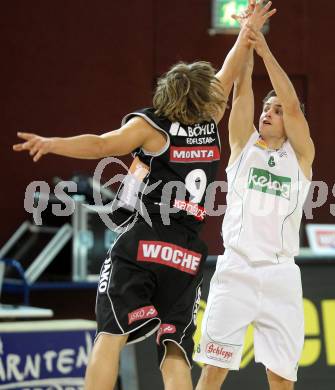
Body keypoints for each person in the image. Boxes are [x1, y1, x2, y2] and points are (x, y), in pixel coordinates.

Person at [12, 4, 275, 389]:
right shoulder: (210, 122)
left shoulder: (153, 127)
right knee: (175, 348)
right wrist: (249, 30)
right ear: (204, 98)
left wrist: (52, 143)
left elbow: (102, 145)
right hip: (187, 252)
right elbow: (231, 68)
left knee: (110, 335)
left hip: (144, 241)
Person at [194, 11, 315, 390]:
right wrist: (247, 36)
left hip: (280, 274)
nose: (269, 112)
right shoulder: (243, 147)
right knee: (213, 373)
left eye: (277, 110)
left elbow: (294, 107)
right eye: (267, 107)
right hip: (237, 270)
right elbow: (242, 89)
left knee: (281, 380)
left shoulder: (302, 157)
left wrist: (264, 49)